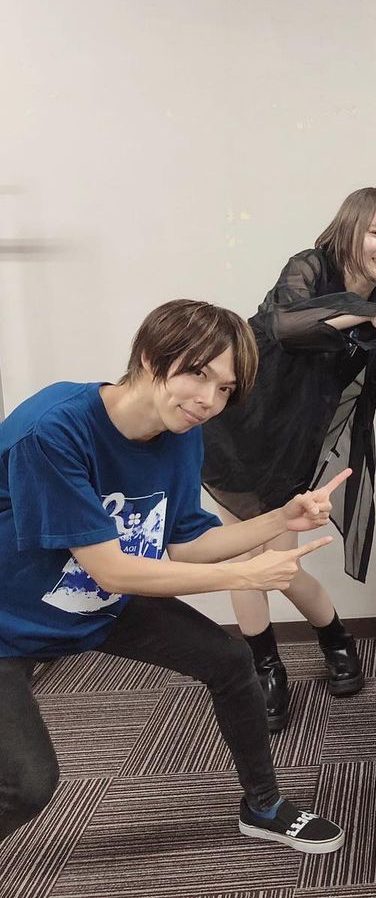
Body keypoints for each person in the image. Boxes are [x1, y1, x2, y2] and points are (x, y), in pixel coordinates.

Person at [0, 299, 345, 852]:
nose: (209, 400)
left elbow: (186, 543)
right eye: (198, 374)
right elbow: (112, 570)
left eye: (225, 388)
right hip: (9, 622)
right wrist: (244, 576)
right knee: (28, 785)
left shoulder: (181, 431)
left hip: (91, 602)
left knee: (230, 661)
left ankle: (263, 806)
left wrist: (282, 519)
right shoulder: (54, 429)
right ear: (148, 356)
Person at [202, 187, 376, 732]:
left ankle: (335, 637)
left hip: (294, 446)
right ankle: (265, 668)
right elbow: (288, 326)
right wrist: (369, 313)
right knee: (245, 563)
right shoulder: (309, 267)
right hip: (238, 429)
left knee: (279, 567)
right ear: (349, 230)